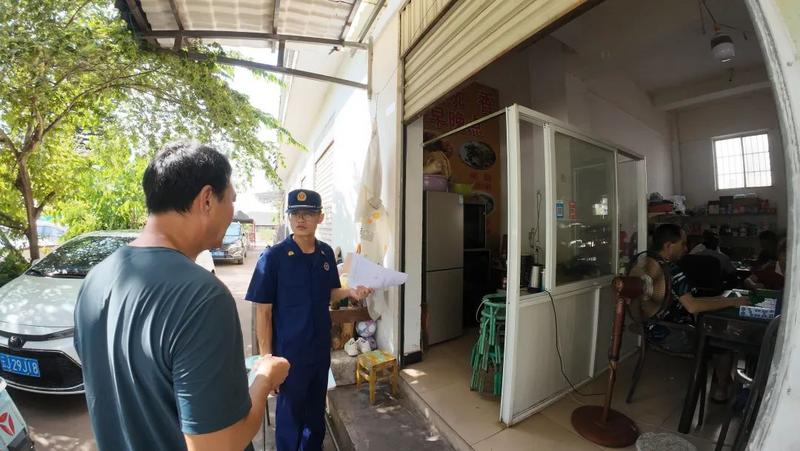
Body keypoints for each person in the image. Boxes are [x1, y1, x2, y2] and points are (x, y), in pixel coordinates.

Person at [74, 142, 290, 451]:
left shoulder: (96, 279)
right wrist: (265, 378)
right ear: (207, 200)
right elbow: (218, 446)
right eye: (231, 199)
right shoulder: (202, 297)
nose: (232, 213)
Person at [246, 189, 373, 451]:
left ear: (320, 217)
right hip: (289, 354)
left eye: (308, 213)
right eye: (294, 213)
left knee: (315, 415)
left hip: (319, 350)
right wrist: (267, 360)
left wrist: (351, 291)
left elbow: (329, 292)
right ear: (289, 217)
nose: (300, 219)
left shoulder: (325, 254)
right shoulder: (273, 258)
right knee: (290, 418)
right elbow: (263, 312)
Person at [647, 224, 750, 401]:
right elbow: (693, 306)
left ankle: (723, 378)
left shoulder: (646, 265)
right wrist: (733, 302)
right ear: (668, 246)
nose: (686, 249)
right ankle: (721, 389)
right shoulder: (672, 271)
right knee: (725, 340)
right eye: (683, 243)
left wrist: (722, 300)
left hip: (649, 330)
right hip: (674, 334)